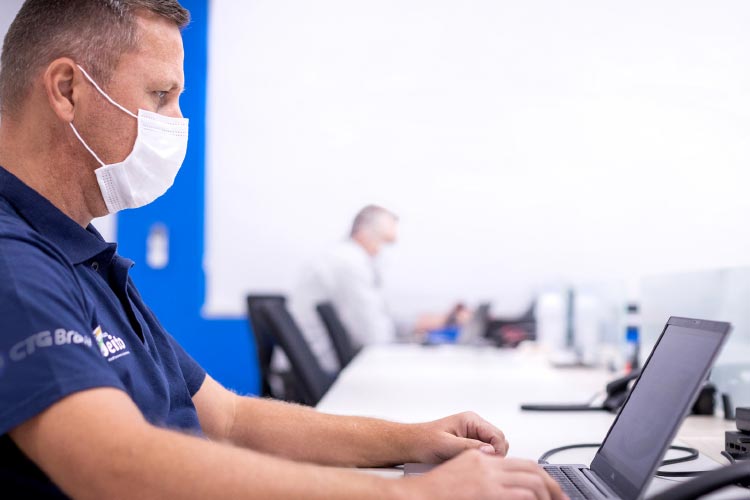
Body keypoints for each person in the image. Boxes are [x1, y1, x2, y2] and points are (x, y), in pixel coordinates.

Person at [0, 2, 564, 499]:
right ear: (68, 90)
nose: (175, 121)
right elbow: (111, 467)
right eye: (160, 95)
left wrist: (414, 439)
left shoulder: (81, 253)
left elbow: (229, 420)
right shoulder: (15, 263)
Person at [288, 205, 467, 372]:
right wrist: (413, 342)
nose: (382, 252)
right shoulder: (349, 263)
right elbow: (374, 336)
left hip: (324, 363)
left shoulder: (348, 259)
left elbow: (383, 318)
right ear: (364, 233)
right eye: (384, 242)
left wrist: (439, 321)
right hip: (323, 368)